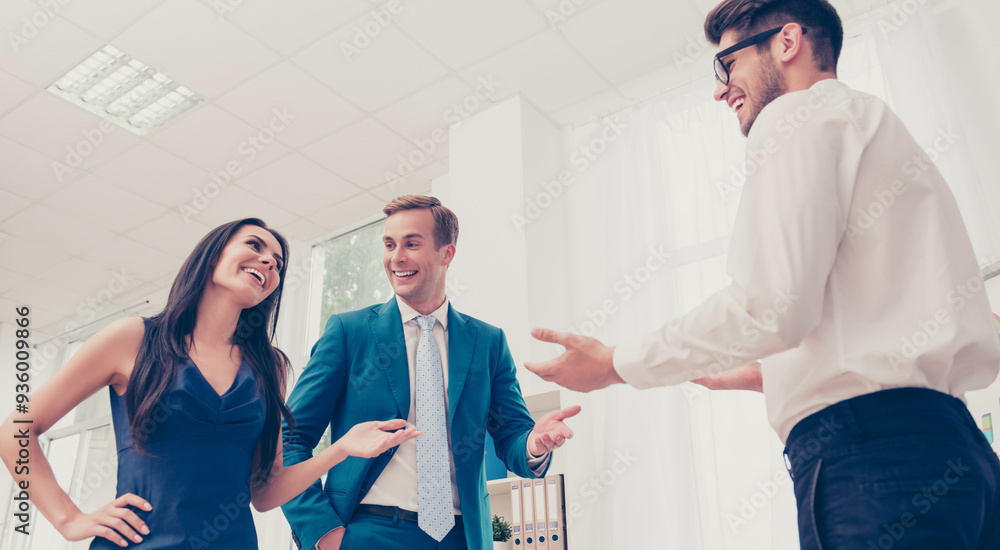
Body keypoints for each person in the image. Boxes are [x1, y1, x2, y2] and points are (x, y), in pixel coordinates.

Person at [524, 0, 1000, 548]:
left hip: (872, 464)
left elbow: (771, 307)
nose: (721, 89)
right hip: (960, 457)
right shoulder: (878, 128)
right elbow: (870, 311)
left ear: (787, 41)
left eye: (727, 64)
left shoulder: (794, 115)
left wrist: (612, 363)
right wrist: (770, 374)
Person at [0, 218, 420, 549]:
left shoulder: (268, 366)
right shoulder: (132, 339)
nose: (269, 261)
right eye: (254, 245)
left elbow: (265, 491)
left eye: (277, 262)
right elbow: (16, 431)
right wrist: (70, 519)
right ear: (212, 254)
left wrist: (341, 448)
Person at [281, 195, 581, 550]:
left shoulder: (487, 342)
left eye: (411, 243)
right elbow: (290, 439)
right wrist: (325, 533)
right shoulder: (349, 332)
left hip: (462, 536)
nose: (396, 257)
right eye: (390, 245)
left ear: (446, 254)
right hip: (369, 532)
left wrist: (534, 442)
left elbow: (511, 434)